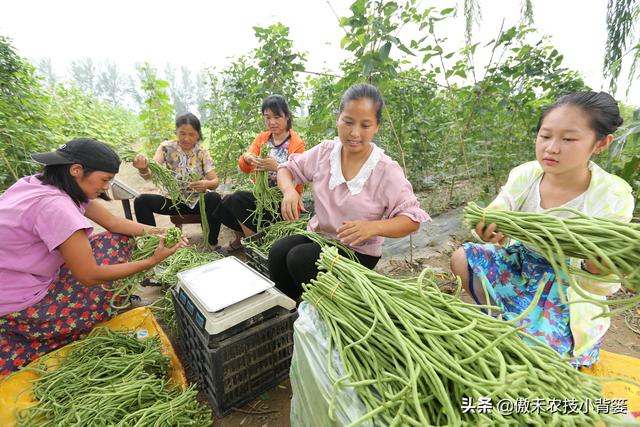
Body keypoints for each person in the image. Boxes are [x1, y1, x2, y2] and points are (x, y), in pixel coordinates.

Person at [450, 91, 635, 367]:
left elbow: (604, 284)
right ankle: (499, 318)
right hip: (523, 264)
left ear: (601, 143)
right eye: (545, 136)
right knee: (462, 258)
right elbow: (500, 208)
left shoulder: (613, 195)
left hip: (568, 285)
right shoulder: (526, 173)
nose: (552, 148)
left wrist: (597, 269)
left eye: (568, 139)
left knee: (535, 357)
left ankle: (546, 340)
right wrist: (488, 225)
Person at [0, 138, 187, 375]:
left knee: (117, 241)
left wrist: (160, 231)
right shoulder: (56, 206)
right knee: (108, 286)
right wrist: (152, 261)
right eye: (105, 180)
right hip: (19, 303)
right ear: (76, 170)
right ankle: (65, 325)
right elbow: (89, 276)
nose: (107, 188)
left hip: (20, 276)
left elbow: (113, 222)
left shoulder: (42, 182)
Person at [269, 83, 430, 300]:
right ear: (338, 119)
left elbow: (412, 219)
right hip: (322, 236)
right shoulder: (326, 152)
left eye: (365, 125)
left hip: (357, 251)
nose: (354, 133)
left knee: (300, 259)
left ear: (376, 127)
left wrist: (373, 227)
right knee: (278, 253)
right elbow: (286, 169)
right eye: (348, 122)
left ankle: (329, 311)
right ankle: (296, 310)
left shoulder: (385, 170)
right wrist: (289, 191)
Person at [213, 95, 305, 250]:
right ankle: (244, 238)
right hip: (261, 197)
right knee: (227, 202)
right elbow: (245, 166)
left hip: (281, 203)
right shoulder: (263, 139)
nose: (272, 122)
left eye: (277, 117)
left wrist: (278, 167)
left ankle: (254, 245)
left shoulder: (296, 144)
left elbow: (301, 175)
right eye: (267, 117)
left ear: (287, 116)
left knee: (238, 199)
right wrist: (247, 157)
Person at [133, 112, 223, 247]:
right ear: (176, 132)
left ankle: (212, 243)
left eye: (191, 134)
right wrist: (143, 169)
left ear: (198, 135)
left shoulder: (202, 152)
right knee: (141, 201)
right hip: (172, 201)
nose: (186, 138)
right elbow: (151, 172)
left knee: (214, 198)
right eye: (182, 133)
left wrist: (206, 184)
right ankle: (152, 245)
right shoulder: (166, 147)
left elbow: (215, 182)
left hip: (196, 201)